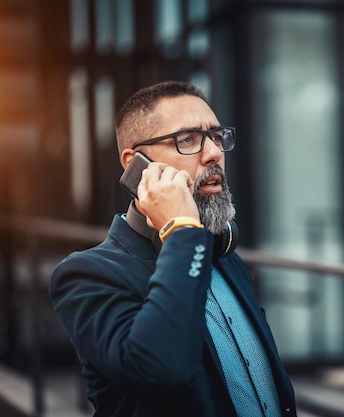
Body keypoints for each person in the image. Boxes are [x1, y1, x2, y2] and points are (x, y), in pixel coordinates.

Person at [49, 80, 297, 417]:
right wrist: (180, 229)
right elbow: (163, 369)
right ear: (135, 163)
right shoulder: (87, 275)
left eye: (216, 136)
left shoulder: (224, 256)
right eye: (188, 139)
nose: (213, 153)